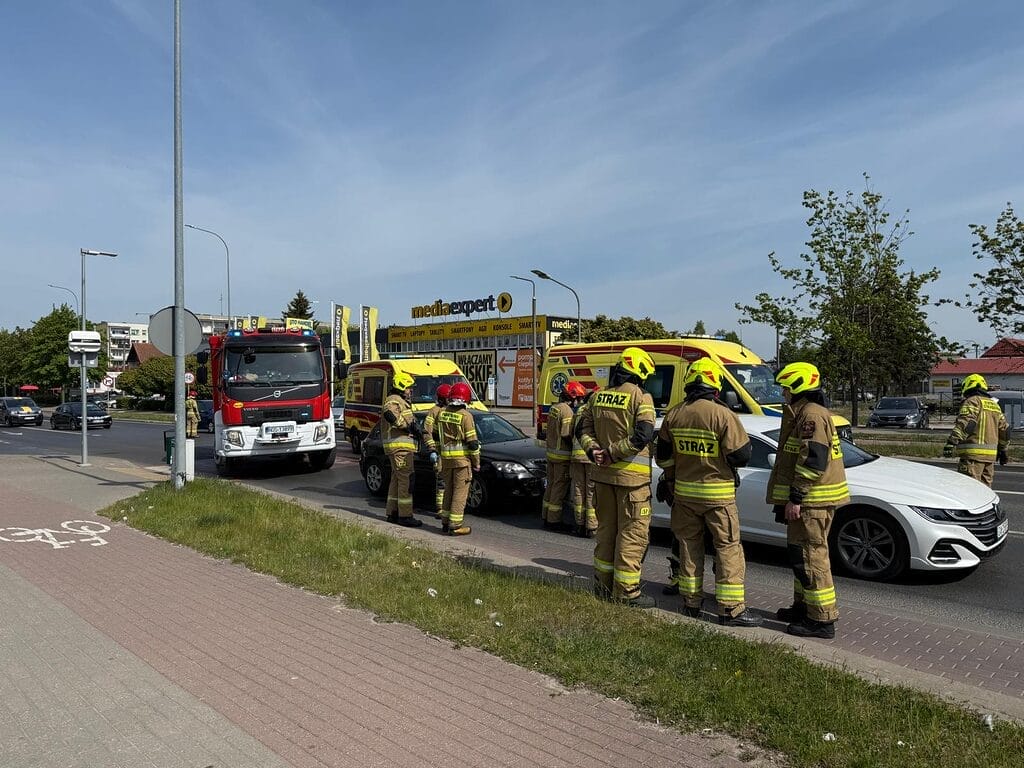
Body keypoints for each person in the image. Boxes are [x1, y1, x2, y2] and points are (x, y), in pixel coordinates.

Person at [655, 358, 760, 627]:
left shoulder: (675, 414)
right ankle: (730, 609)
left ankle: (690, 603)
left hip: (685, 496)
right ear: (714, 385)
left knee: (689, 547)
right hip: (718, 497)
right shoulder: (722, 414)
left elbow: (663, 457)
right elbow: (741, 456)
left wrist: (670, 479)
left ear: (689, 383)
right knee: (727, 548)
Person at [767, 362, 848, 639]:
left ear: (799, 388)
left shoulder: (811, 415)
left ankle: (822, 620)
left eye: (786, 389)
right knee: (801, 557)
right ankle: (804, 608)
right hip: (809, 501)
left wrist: (796, 496)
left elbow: (813, 460)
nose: (784, 394)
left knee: (812, 558)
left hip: (812, 501)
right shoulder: (803, 413)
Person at [577, 347, 657, 607]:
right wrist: (612, 453)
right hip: (631, 483)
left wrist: (594, 450)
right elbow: (643, 435)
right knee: (632, 535)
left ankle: (602, 586)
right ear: (639, 372)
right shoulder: (641, 397)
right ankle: (626, 592)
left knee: (606, 533)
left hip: (602, 479)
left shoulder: (597, 397)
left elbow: (582, 429)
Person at [944, 374, 1009, 488]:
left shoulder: (972, 401)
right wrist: (1003, 451)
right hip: (989, 459)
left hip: (972, 457)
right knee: (985, 492)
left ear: (967, 386)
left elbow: (966, 423)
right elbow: (1005, 431)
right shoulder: (994, 405)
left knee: (969, 491)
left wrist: (952, 442)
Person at [436, 382, 480, 536]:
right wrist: (476, 463)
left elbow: (436, 436)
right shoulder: (466, 416)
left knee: (448, 490)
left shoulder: (442, 414)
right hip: (462, 461)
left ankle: (445, 522)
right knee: (460, 493)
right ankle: (455, 526)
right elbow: (473, 443)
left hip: (446, 460)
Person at [381, 371, 424, 527]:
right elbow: (389, 415)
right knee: (406, 479)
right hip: (400, 447)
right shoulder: (394, 400)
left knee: (396, 479)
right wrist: (408, 427)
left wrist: (416, 429)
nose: (410, 390)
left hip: (399, 447)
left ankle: (392, 512)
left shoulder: (400, 401)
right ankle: (405, 516)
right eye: (408, 387)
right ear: (401, 386)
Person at [542, 380, 583, 532]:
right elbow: (566, 434)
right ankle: (554, 521)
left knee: (551, 486)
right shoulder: (566, 411)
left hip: (551, 454)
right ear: (572, 397)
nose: (578, 402)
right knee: (559, 488)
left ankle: (546, 516)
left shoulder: (554, 408)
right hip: (562, 456)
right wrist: (577, 445)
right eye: (578, 398)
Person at [570, 384, 598, 538]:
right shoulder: (596, 410)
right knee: (591, 491)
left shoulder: (579, 410)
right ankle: (592, 526)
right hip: (590, 455)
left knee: (579, 490)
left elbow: (571, 431)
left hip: (576, 455)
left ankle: (579, 523)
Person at [423, 383, 451, 517]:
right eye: (448, 398)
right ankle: (440, 508)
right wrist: (432, 449)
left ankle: (450, 506)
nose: (450, 400)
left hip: (451, 451)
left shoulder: (453, 410)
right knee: (441, 481)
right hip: (439, 452)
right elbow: (427, 432)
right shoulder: (434, 411)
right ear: (442, 398)